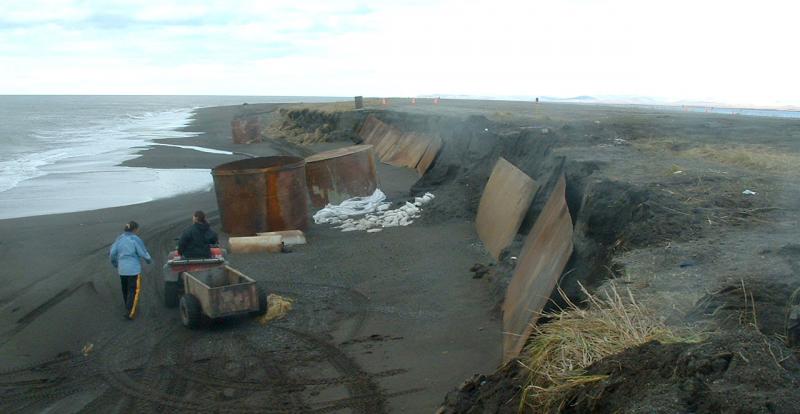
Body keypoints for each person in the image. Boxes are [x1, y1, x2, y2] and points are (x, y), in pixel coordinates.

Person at [109, 221, 152, 320]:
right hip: (133, 269)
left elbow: (112, 254)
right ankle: (130, 312)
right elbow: (143, 252)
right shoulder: (135, 239)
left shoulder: (119, 239)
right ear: (135, 229)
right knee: (133, 290)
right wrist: (148, 260)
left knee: (125, 288)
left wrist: (115, 263)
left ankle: (127, 306)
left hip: (122, 269)